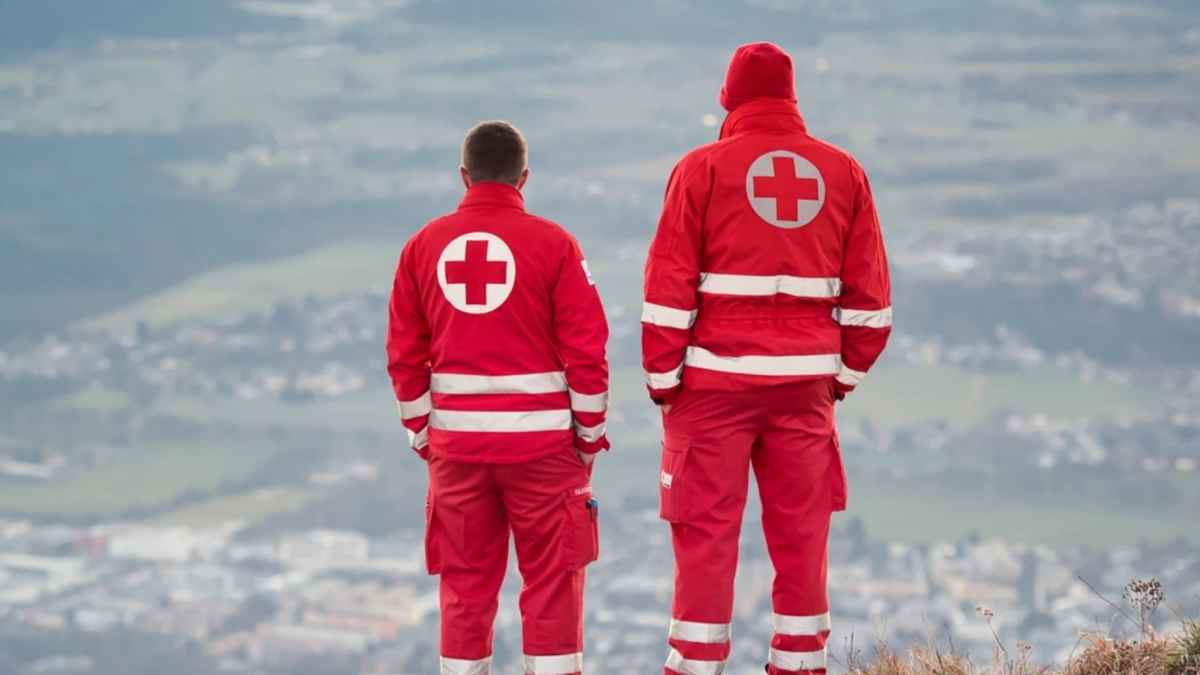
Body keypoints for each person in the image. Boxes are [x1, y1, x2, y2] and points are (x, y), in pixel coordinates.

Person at [642, 42, 892, 674]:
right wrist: (839, 379)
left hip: (711, 389)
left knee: (705, 542)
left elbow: (667, 291)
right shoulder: (844, 173)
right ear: (792, 99)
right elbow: (871, 310)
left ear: (728, 99)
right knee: (802, 541)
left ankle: (696, 668)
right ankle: (802, 666)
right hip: (805, 388)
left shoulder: (700, 169)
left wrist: (665, 382)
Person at [386, 120, 610, 675]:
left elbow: (403, 356)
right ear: (524, 177)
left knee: (464, 588)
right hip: (544, 453)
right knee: (554, 582)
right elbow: (588, 353)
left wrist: (424, 435)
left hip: (458, 452)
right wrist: (587, 436)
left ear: (463, 177)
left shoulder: (422, 247)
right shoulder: (556, 245)